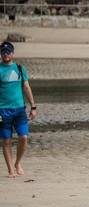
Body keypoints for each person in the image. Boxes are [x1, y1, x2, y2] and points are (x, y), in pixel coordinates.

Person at [0, 41, 36, 179]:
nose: (5, 54)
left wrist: (33, 106)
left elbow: (26, 88)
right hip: (3, 110)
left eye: (8, 51)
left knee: (24, 137)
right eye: (3, 51)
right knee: (6, 140)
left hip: (19, 109)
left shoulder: (20, 68)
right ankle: (10, 170)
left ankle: (18, 162)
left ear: (13, 53)